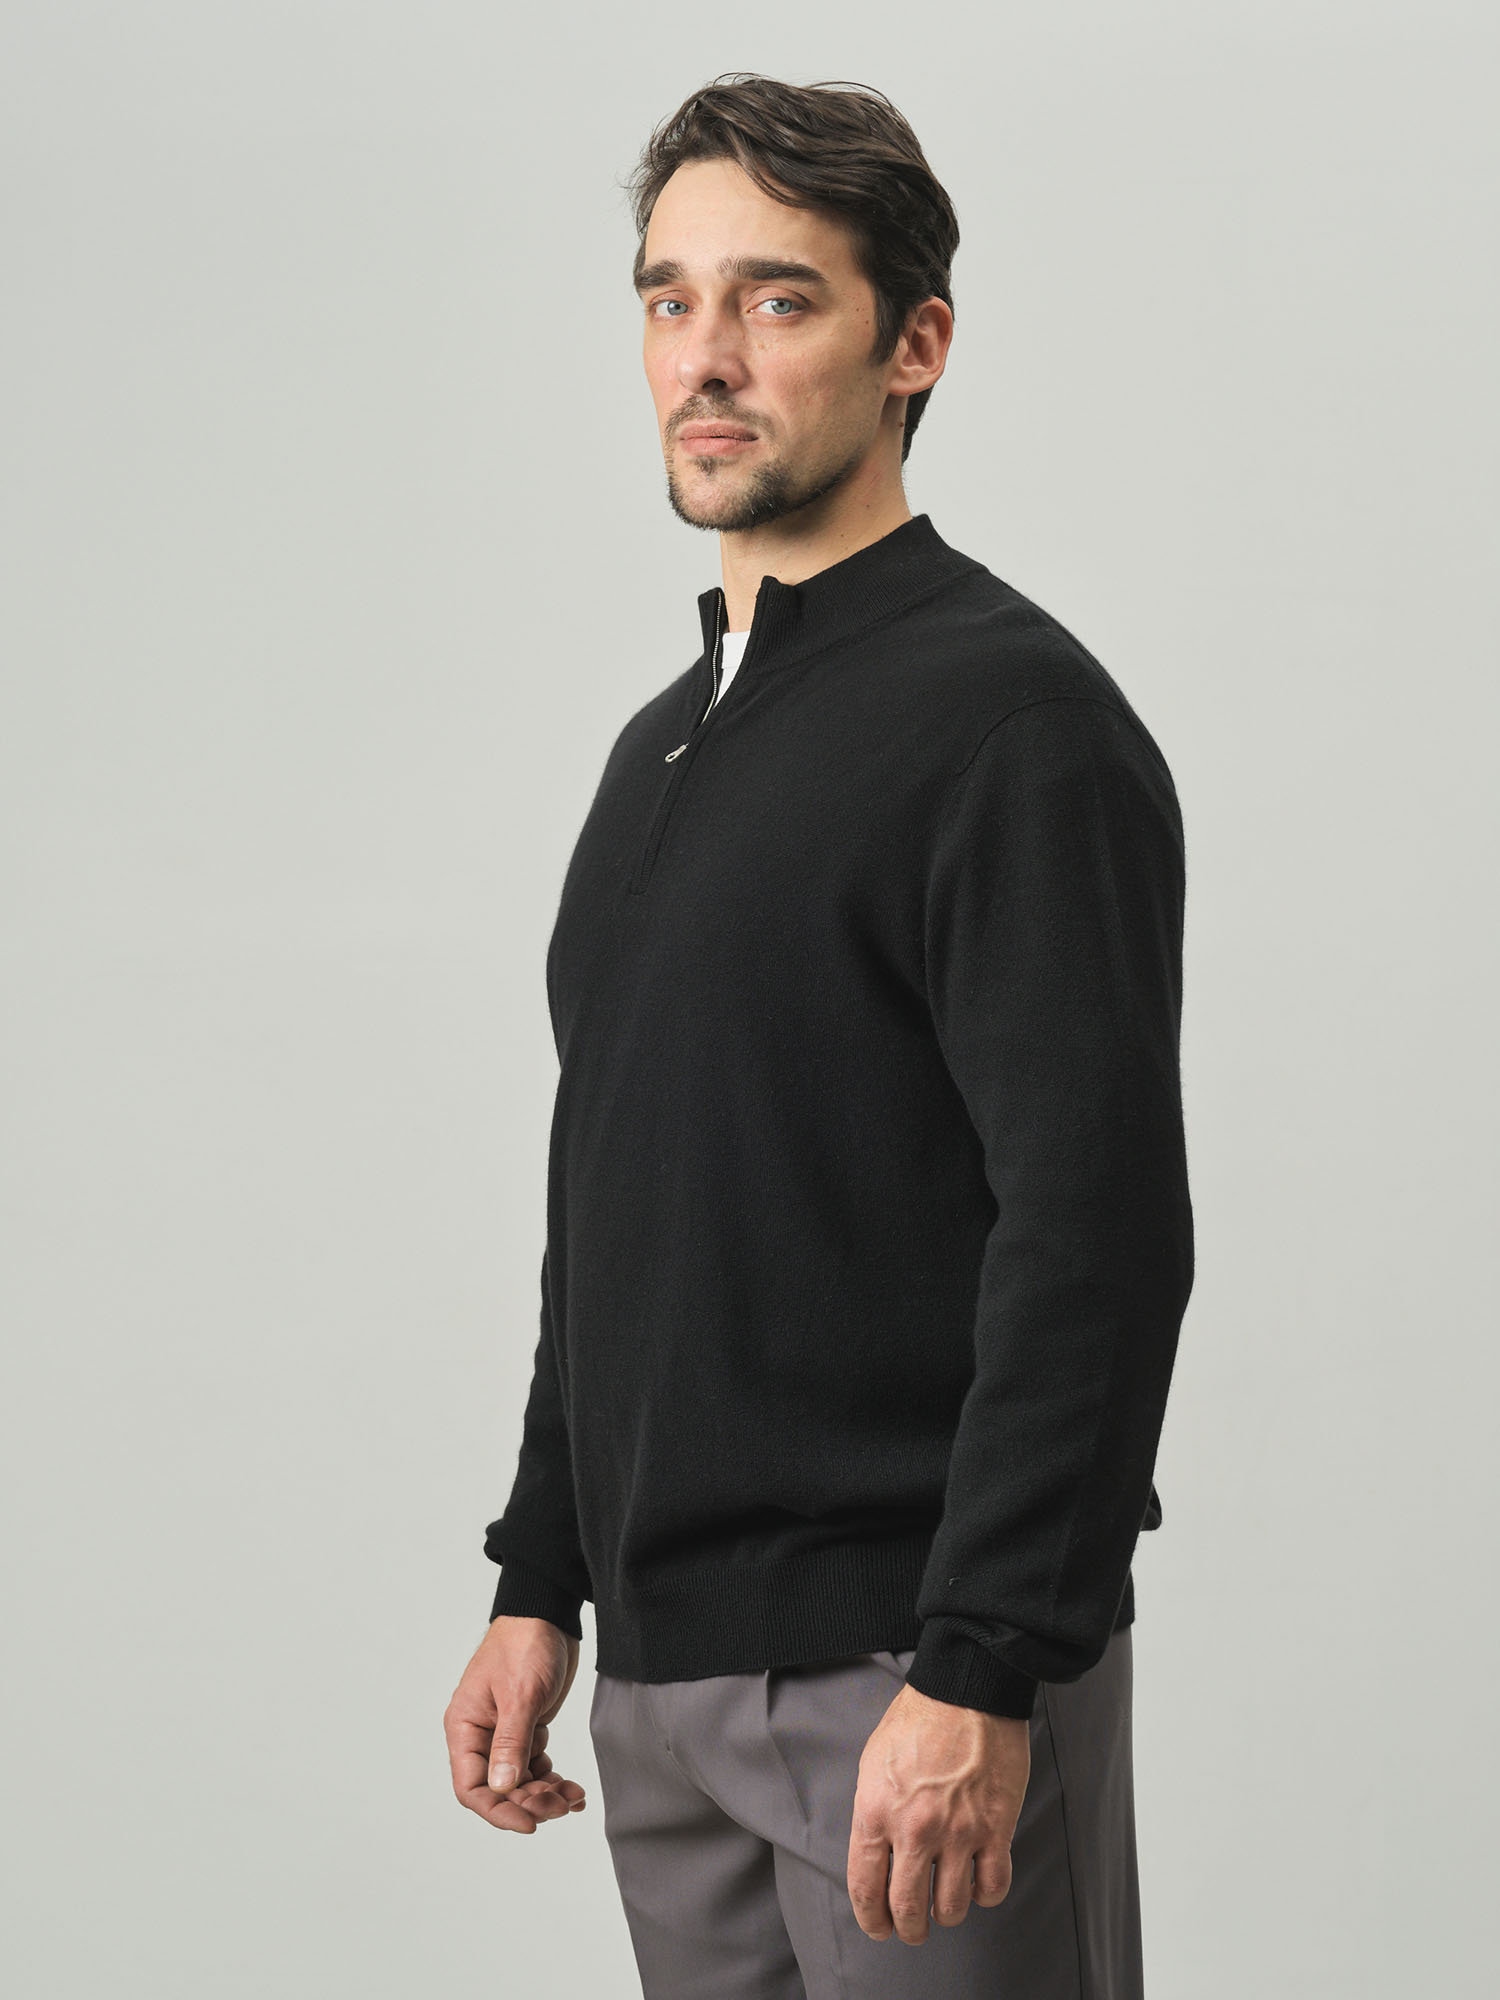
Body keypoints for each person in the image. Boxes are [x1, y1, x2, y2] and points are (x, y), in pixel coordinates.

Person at [443, 71, 1194, 1998]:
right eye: (670, 299)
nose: (707, 357)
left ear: (912, 345)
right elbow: (621, 1202)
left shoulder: (1015, 729)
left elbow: (1097, 1235)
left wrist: (986, 1666)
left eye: (777, 300)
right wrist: (542, 1577)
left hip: (906, 1677)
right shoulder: (659, 752)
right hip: (663, 1695)